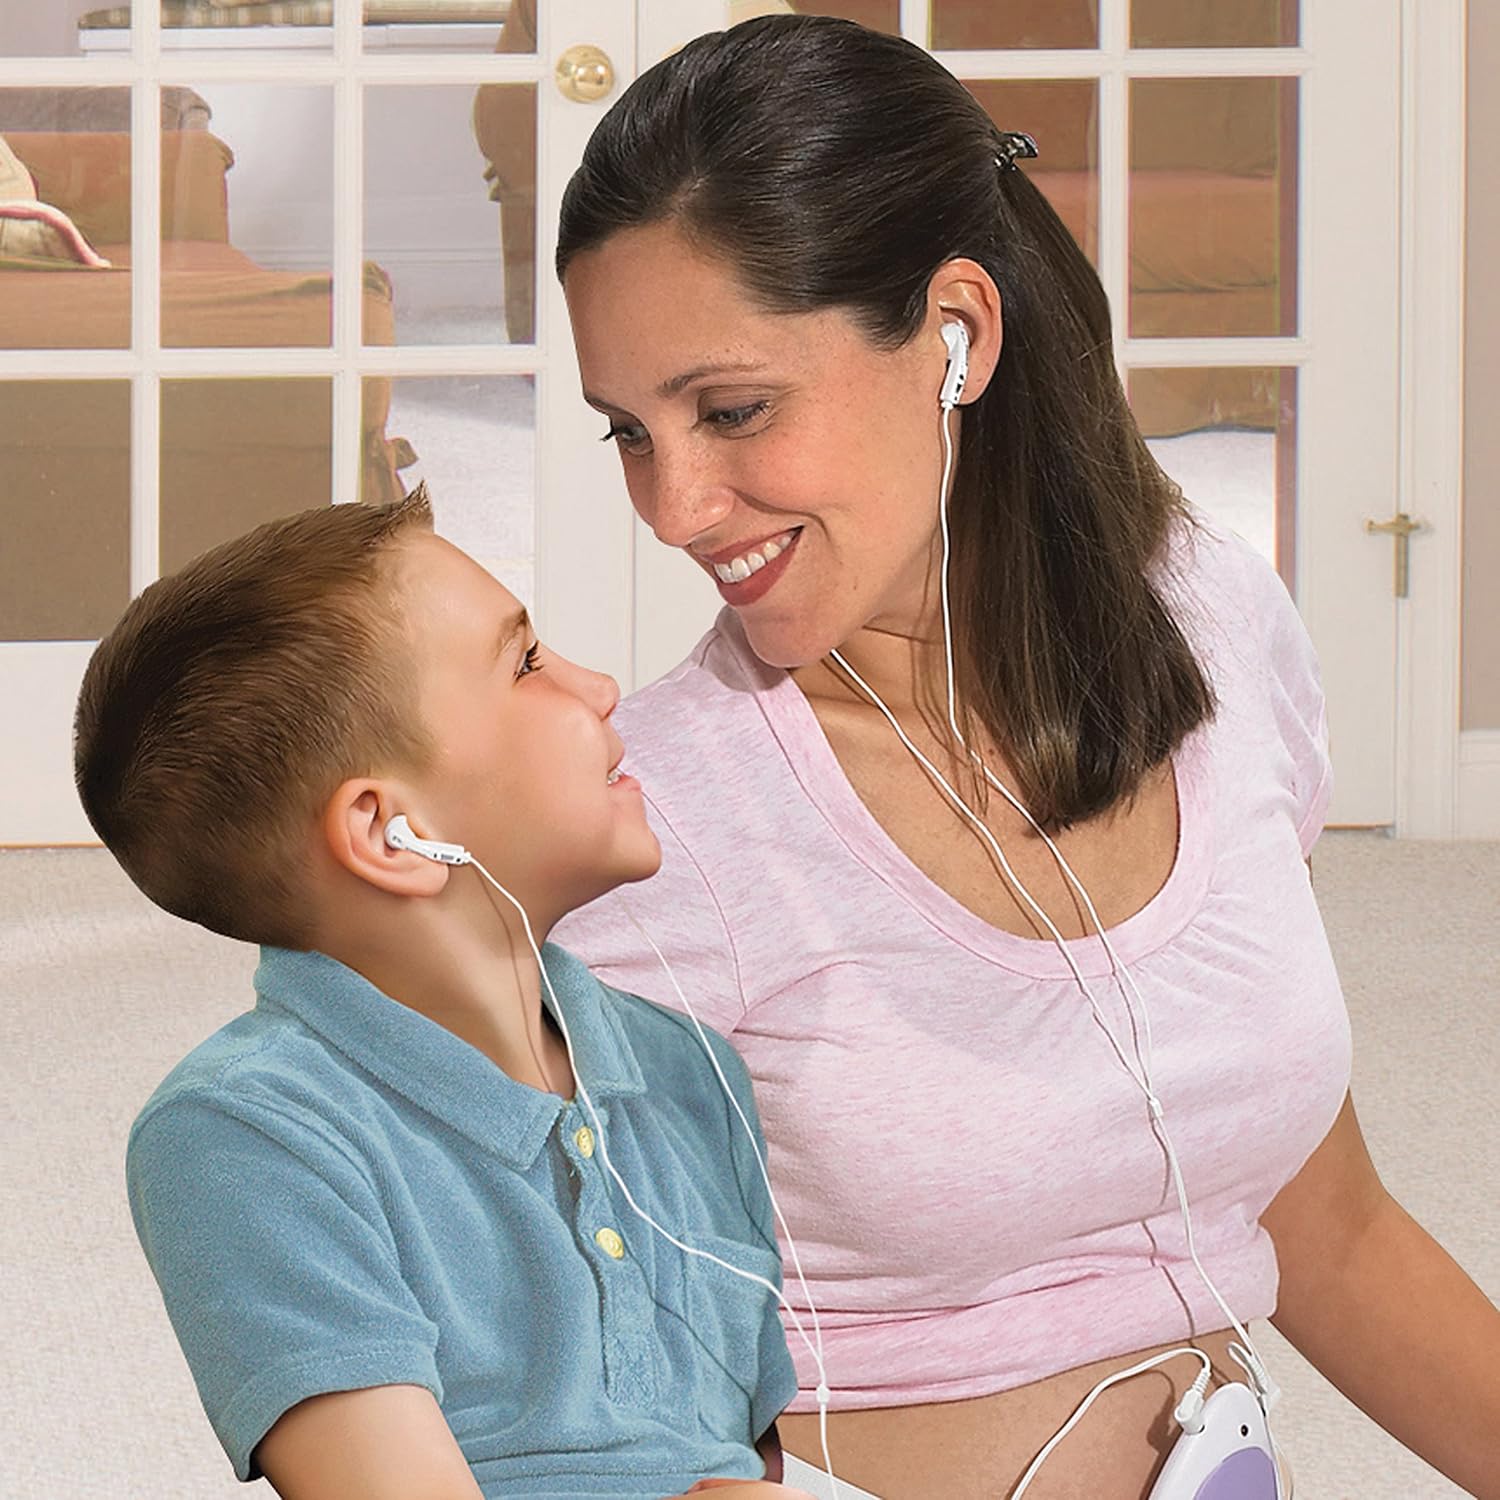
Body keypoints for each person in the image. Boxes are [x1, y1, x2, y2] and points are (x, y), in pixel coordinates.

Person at [550, 16, 1500, 1500]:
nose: (674, 508)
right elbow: (536, 1392)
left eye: (731, 412)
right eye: (628, 433)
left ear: (958, 333)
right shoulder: (649, 822)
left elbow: (1323, 1221)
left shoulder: (1213, 622)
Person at [74, 491, 816, 1500]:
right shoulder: (244, 1132)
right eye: (526, 664)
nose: (601, 688)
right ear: (393, 836)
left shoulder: (693, 1074)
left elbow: (750, 1457)